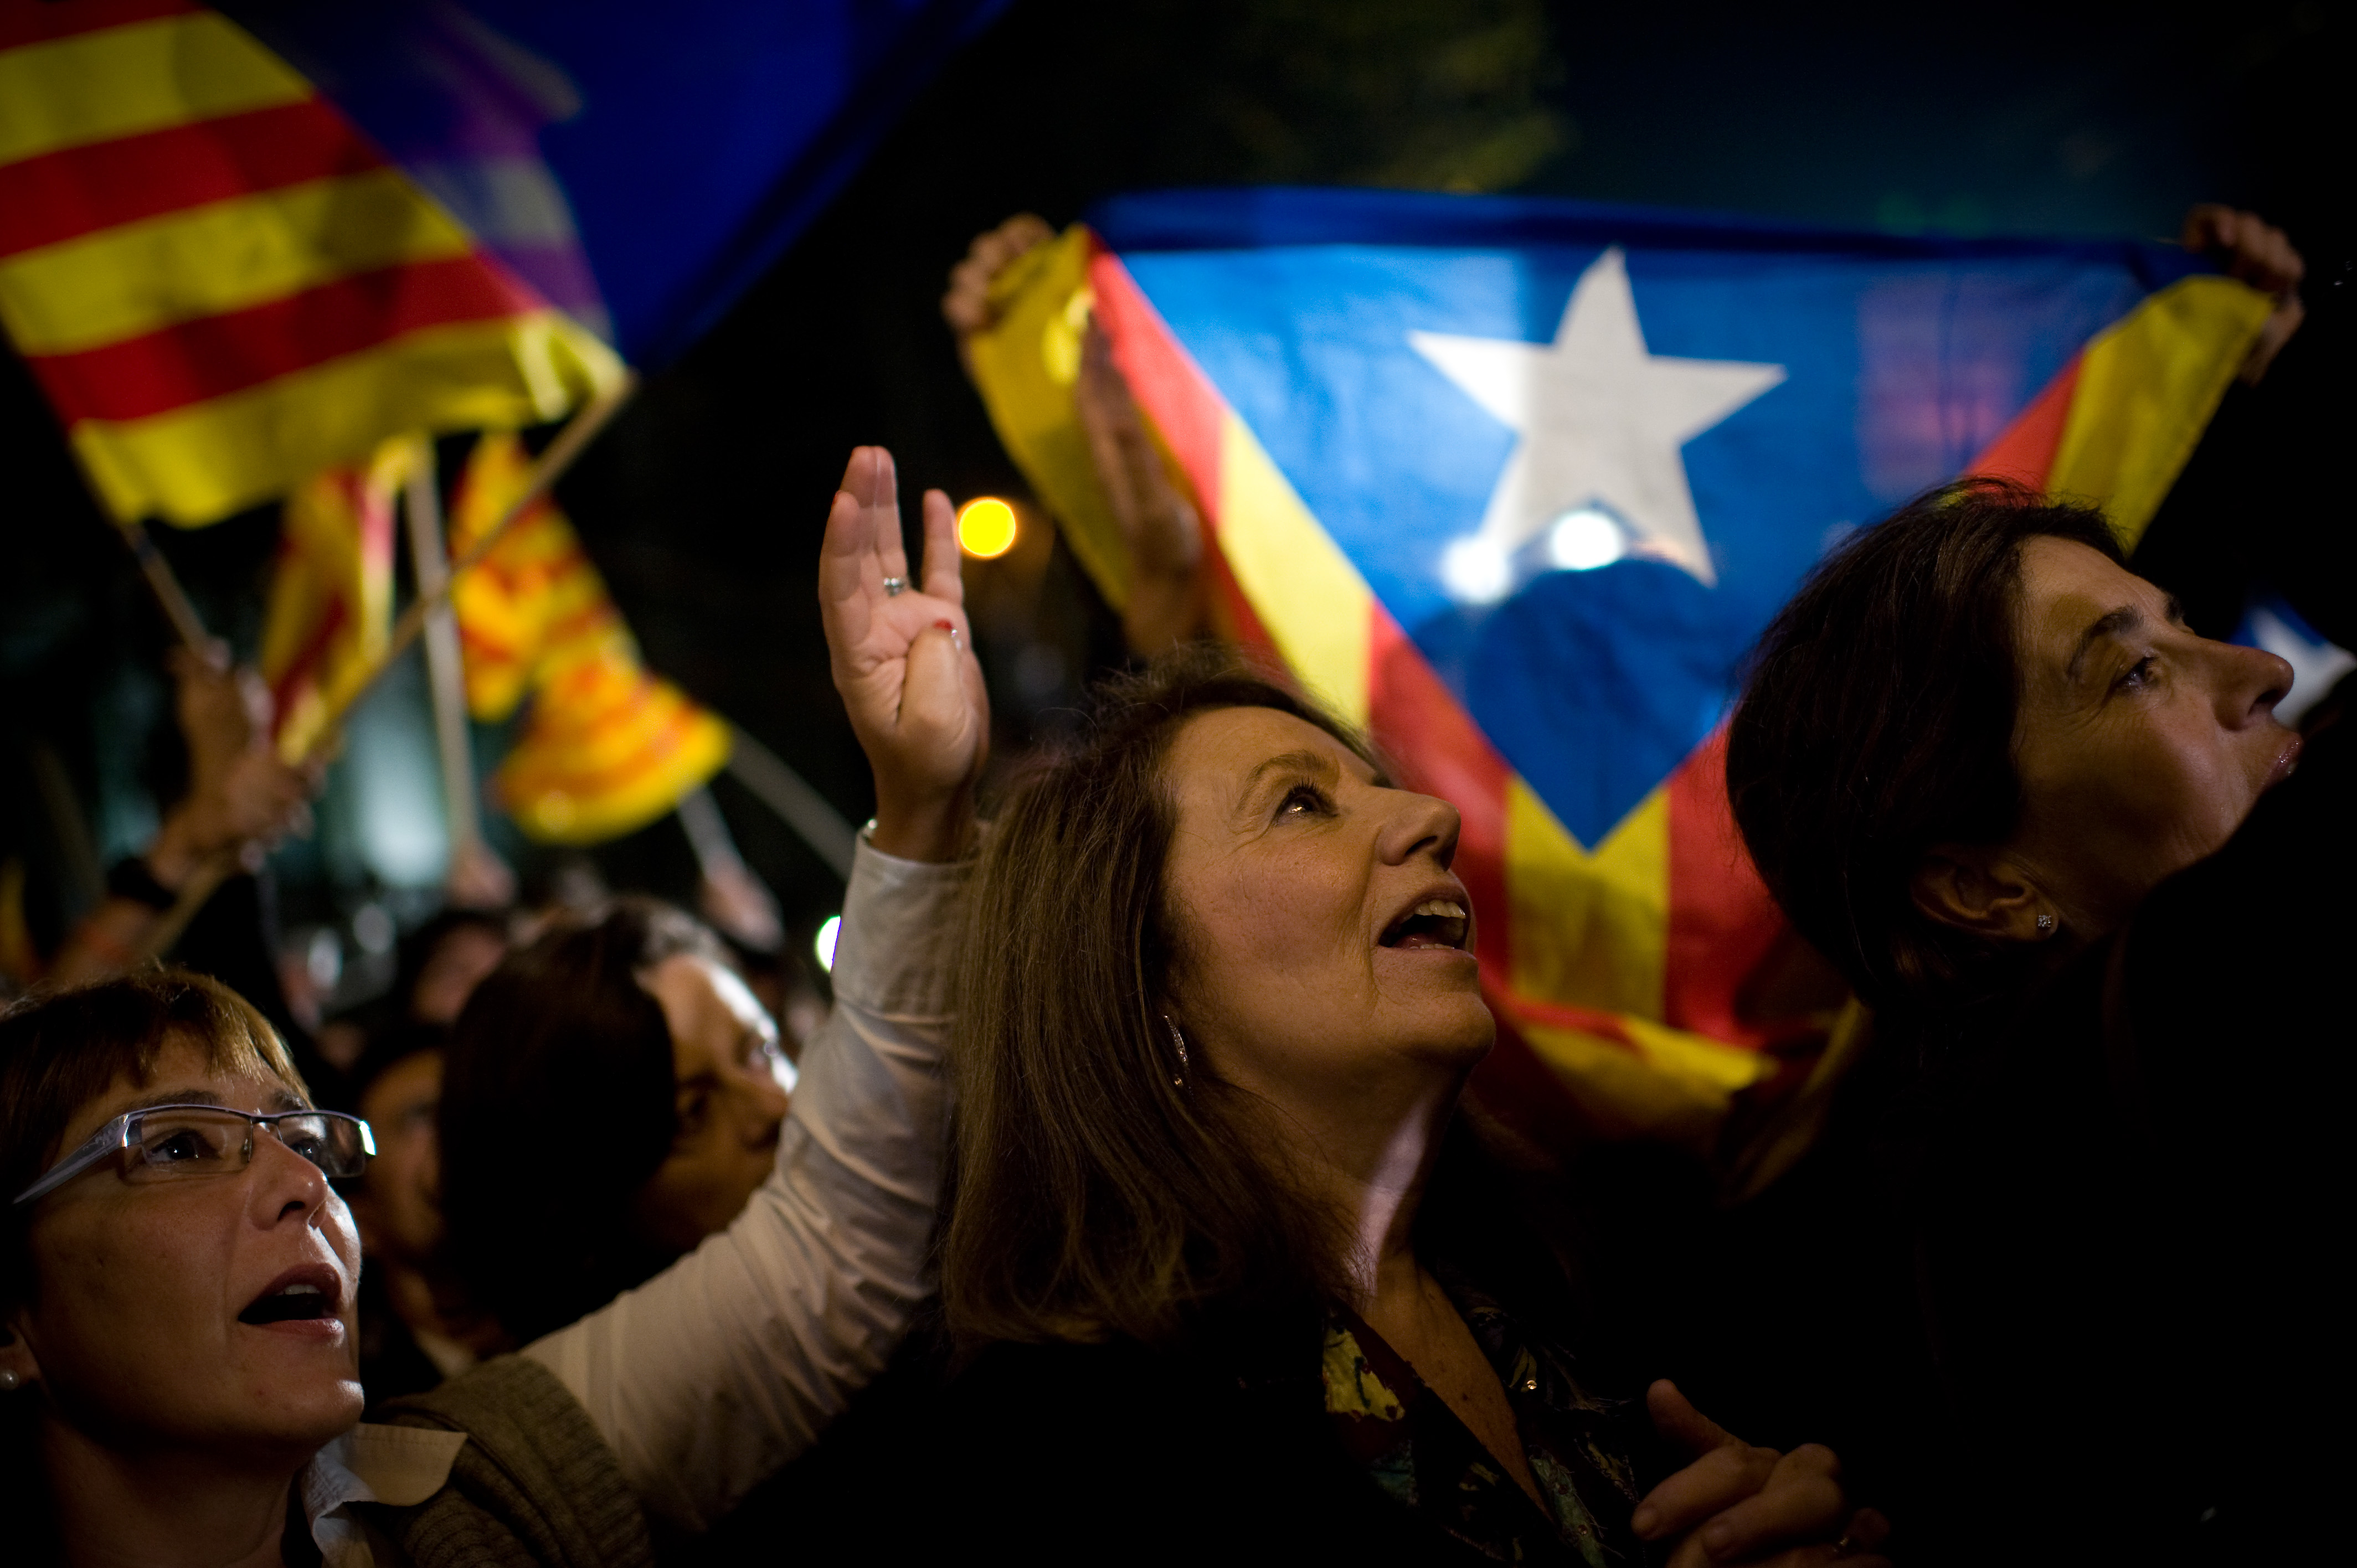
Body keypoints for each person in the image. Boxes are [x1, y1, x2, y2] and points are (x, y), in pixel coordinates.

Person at [0, 444, 988, 1558]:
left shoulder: (497, 1482)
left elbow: (831, 1249)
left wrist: (920, 807)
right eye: (179, 1146)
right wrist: (190, 849)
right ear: (9, 1320)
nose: (300, 1185)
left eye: (305, 1141)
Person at [861, 539, 1885, 1556]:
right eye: (1300, 804)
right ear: (1141, 983)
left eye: (1380, 785)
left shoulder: (1602, 1278)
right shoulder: (1064, 1445)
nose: (1431, 817)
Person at [1723, 475, 2346, 1562]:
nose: (2263, 672)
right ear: (1983, 886)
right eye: (2136, 673)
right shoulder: (2020, 1191)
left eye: (2183, 624)